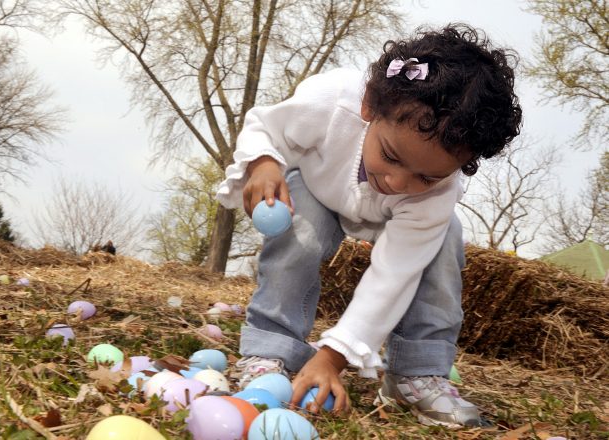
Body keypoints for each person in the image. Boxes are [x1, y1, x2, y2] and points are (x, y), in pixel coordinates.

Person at [216, 24, 522, 427]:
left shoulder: (433, 195)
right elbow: (264, 125)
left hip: (392, 221)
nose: (398, 183)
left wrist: (334, 356)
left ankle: (417, 372)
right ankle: (269, 349)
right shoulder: (331, 101)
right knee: (301, 235)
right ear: (369, 106)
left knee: (445, 242)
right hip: (317, 189)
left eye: (426, 177)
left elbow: (393, 278)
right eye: (392, 156)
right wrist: (263, 162)